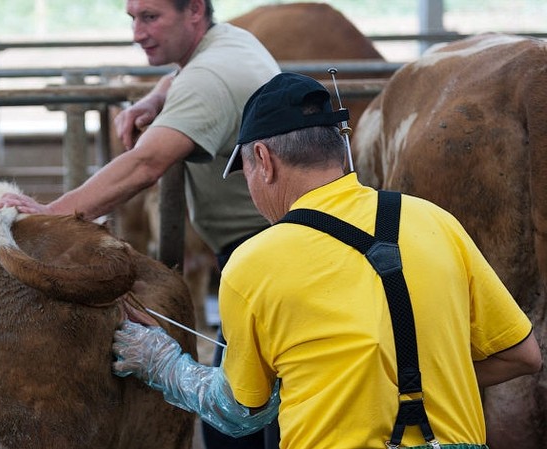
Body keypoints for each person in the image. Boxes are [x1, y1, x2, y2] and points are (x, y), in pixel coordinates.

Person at [111, 72, 543, 448]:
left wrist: (163, 364)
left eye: (246, 172)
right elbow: (523, 355)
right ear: (340, 151)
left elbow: (241, 411)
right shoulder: (435, 221)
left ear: (263, 160)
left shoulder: (253, 262)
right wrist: (419, 376)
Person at [0, 2, 280, 446]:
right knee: (246, 403)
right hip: (267, 245)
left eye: (150, 17)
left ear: (194, 11)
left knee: (239, 414)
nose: (136, 32)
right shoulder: (228, 43)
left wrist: (50, 215)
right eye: (132, 18)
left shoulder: (209, 77)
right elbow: (182, 78)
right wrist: (155, 99)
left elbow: (145, 165)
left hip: (263, 255)